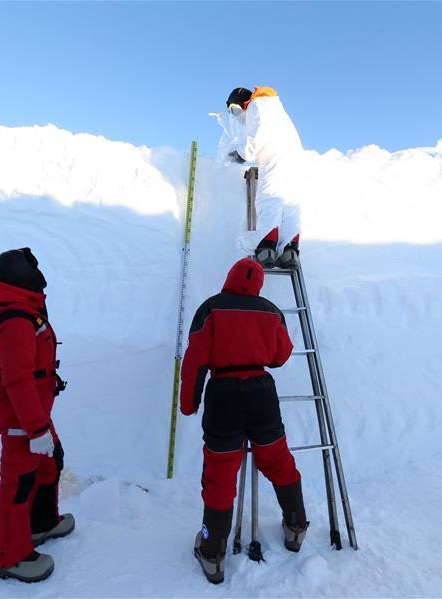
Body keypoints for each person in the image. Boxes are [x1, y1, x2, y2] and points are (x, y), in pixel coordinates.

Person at [179, 258, 309, 584]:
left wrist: (189, 404)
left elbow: (195, 361)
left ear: (229, 277)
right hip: (262, 395)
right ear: (258, 284)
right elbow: (281, 355)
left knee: (221, 476)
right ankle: (296, 527)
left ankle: (212, 554)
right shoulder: (271, 311)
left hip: (223, 396)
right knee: (278, 461)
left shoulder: (211, 308)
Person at [0, 248, 72, 583]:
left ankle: (41, 523)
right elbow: (17, 380)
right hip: (21, 415)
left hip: (34, 409)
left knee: (50, 462)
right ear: (20, 277)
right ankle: (10, 556)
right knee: (19, 481)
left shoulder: (22, 309)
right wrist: (36, 430)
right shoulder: (15, 320)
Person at [219, 86, 306, 269]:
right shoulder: (275, 108)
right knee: (290, 204)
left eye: (235, 110)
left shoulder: (258, 105)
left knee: (270, 197)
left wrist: (241, 153)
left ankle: (266, 244)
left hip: (275, 159)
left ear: (242, 101)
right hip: (294, 159)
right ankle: (289, 248)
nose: (237, 116)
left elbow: (259, 135)